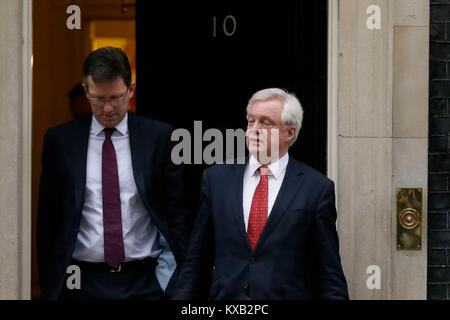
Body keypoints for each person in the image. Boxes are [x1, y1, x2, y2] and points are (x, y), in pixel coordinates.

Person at [37, 47, 190, 300]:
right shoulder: (60, 141)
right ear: (86, 91)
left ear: (131, 89)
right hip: (81, 282)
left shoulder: (159, 138)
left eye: (116, 98)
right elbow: (48, 221)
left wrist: (177, 285)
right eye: (98, 99)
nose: (108, 108)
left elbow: (178, 215)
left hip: (147, 281)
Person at [175, 88, 349, 300]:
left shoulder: (316, 188)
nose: (254, 130)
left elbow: (329, 272)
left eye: (266, 123)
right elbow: (197, 259)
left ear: (290, 133)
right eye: (251, 121)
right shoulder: (216, 179)